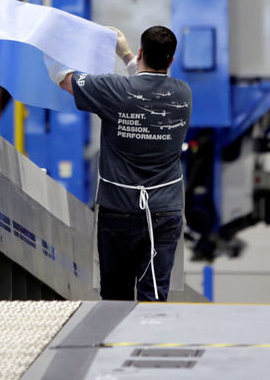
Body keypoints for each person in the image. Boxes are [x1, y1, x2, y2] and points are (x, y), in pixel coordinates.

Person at [46, 26, 192, 301]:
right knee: (154, 297)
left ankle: (118, 343)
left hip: (118, 211)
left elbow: (64, 79)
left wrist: (47, 41)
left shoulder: (115, 90)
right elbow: (147, 91)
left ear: (141, 52)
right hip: (164, 212)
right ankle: (147, 342)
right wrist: (125, 54)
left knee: (115, 299)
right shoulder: (183, 95)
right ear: (171, 61)